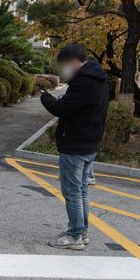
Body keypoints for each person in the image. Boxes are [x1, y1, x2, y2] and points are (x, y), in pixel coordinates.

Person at [39, 42, 109, 250]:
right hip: (89, 143)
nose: (64, 70)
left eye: (64, 65)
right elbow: (78, 105)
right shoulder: (98, 78)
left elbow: (62, 109)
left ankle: (75, 236)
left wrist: (45, 98)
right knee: (81, 191)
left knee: (72, 192)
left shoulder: (83, 82)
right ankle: (82, 232)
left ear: (72, 61)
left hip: (75, 144)